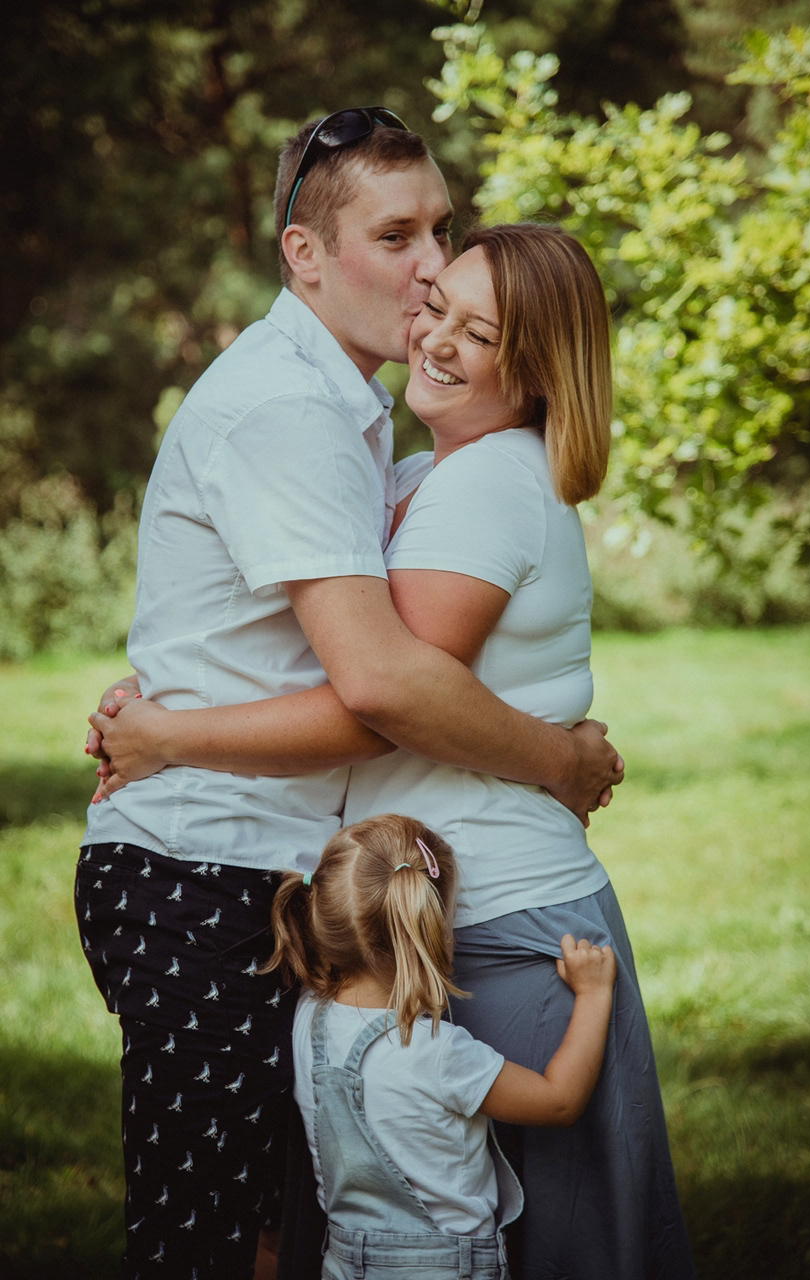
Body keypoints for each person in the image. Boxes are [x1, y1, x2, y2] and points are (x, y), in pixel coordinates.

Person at [79, 108, 623, 1280]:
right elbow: (381, 684)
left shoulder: (358, 413)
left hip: (271, 869)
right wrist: (561, 759)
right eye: (394, 236)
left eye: (440, 228)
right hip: (202, 867)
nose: (431, 265)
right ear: (305, 253)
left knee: (291, 1229)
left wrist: (170, 717)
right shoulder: (294, 408)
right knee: (209, 1241)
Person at [273, 812, 616, 1280]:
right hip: (445, 1267)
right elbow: (559, 1102)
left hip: (343, 1262)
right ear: (435, 937)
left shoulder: (307, 1018)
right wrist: (594, 994)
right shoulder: (437, 1050)